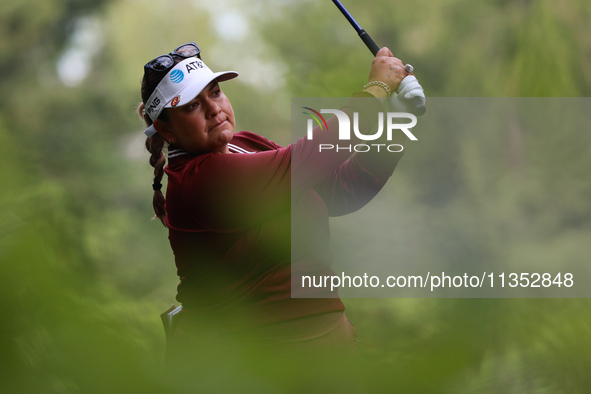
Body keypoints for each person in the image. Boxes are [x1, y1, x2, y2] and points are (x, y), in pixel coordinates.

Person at [137, 42, 409, 373]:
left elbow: (343, 190)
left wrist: (396, 119)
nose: (213, 109)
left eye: (216, 92)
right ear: (166, 129)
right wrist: (376, 91)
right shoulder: (196, 181)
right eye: (192, 106)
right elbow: (307, 161)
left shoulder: (245, 144)